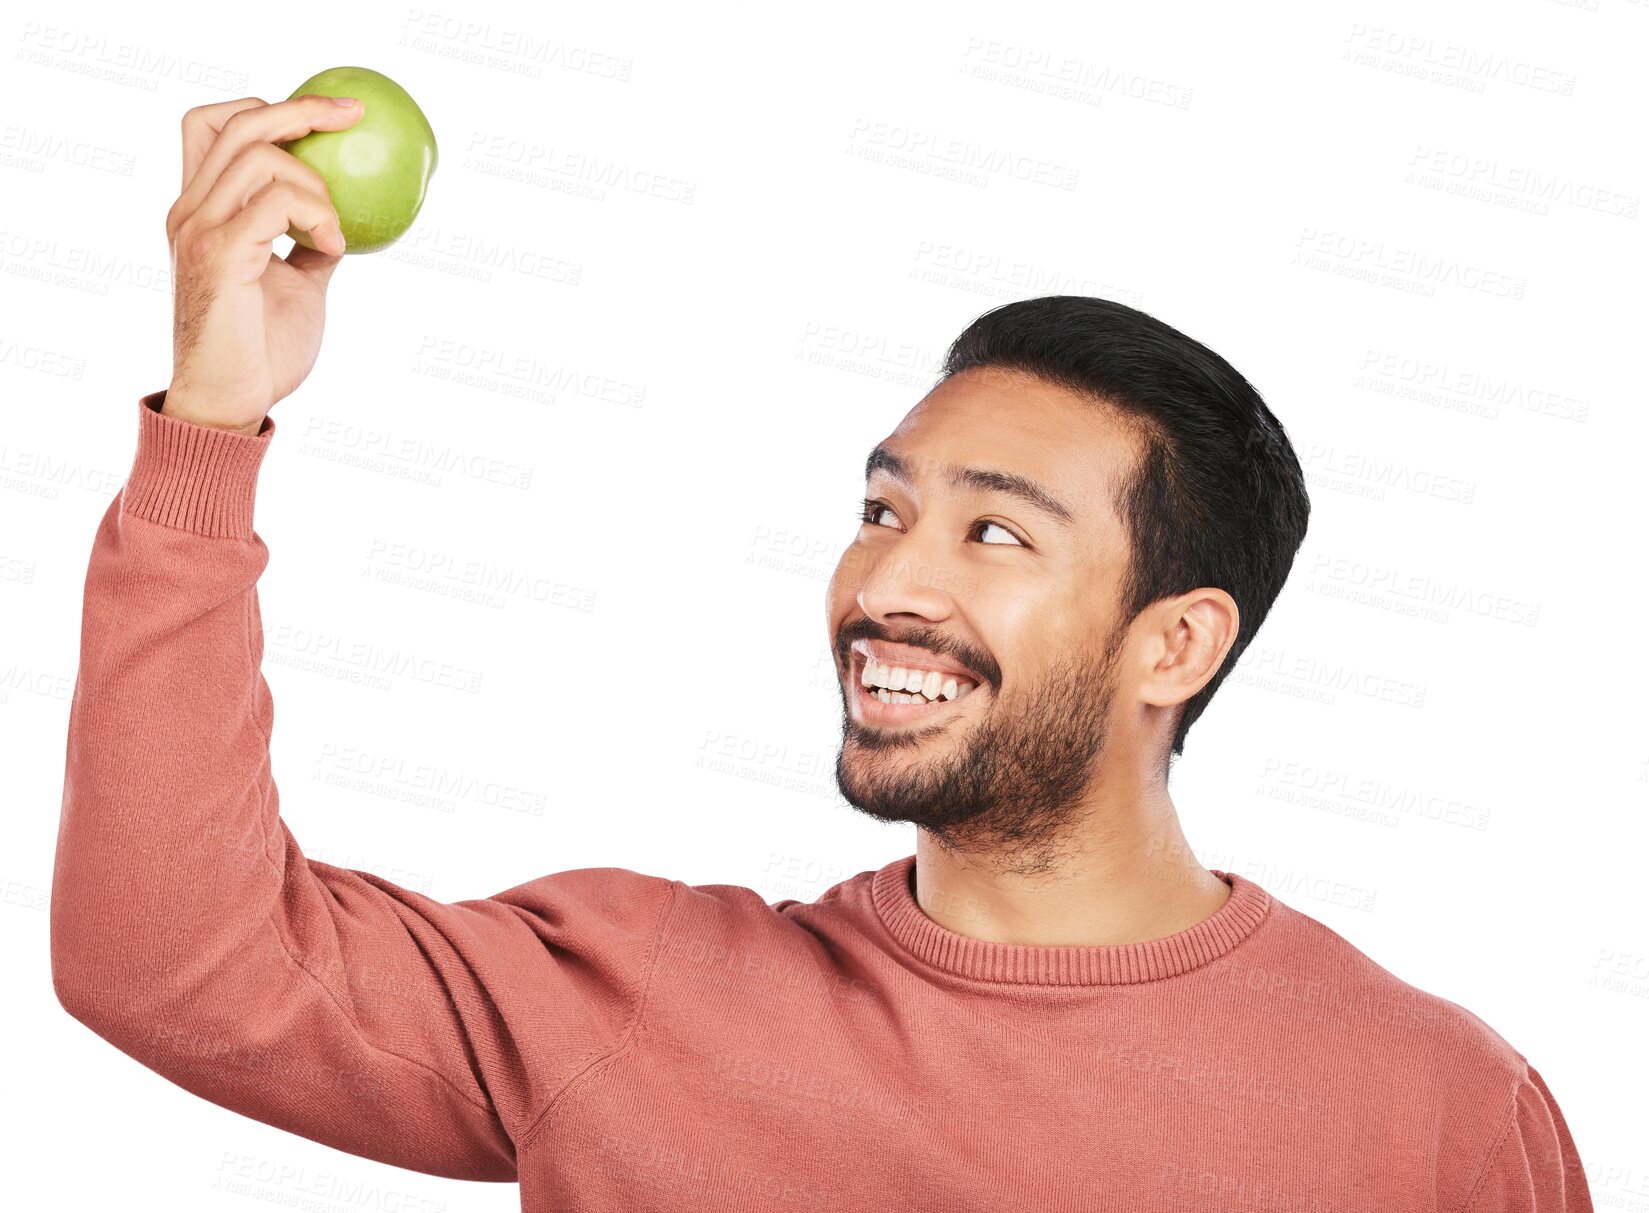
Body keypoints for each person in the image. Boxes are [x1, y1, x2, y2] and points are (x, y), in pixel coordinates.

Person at [51, 94, 1593, 1211]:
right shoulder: (640, 1003)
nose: (884, 582)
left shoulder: (1436, 1117)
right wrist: (209, 425)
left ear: (1172, 643)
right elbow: (171, 959)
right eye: (881, 507)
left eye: (993, 534)